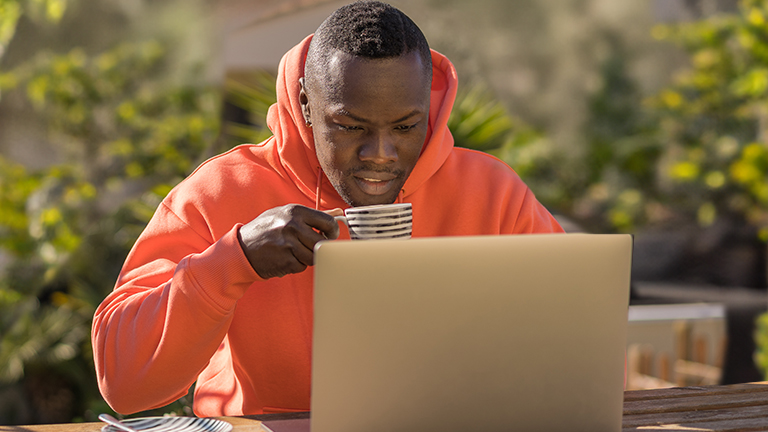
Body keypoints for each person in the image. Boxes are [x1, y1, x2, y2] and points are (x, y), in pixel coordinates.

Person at [91, 0, 564, 417]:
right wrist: (234, 260)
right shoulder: (221, 192)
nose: (381, 154)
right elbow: (124, 386)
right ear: (306, 104)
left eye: (405, 127)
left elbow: (575, 343)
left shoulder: (493, 193)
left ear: (430, 107)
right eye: (350, 126)